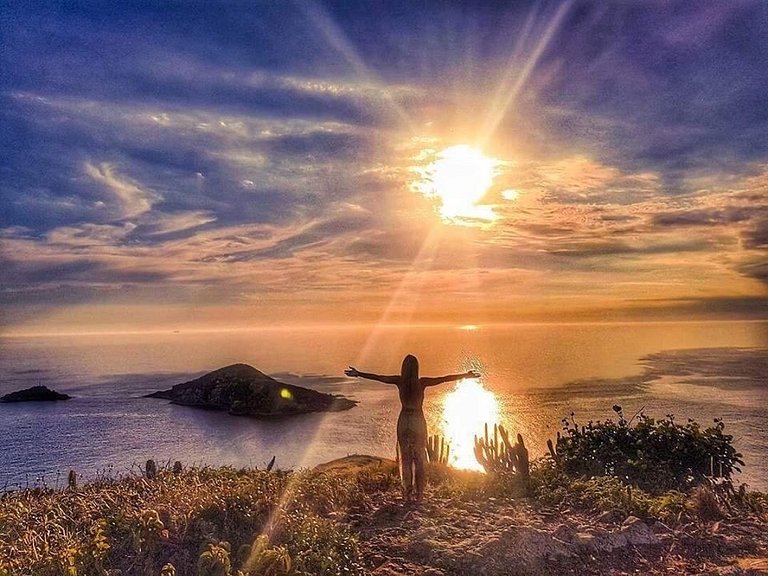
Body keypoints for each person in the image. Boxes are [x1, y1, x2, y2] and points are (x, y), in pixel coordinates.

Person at [345, 355, 480, 502]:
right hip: (417, 419)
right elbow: (445, 378)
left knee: (405, 458)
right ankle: (419, 493)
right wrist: (466, 376)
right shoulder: (422, 382)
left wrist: (358, 373)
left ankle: (407, 492)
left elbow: (378, 377)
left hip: (404, 419)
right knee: (419, 458)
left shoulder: (399, 380)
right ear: (417, 368)